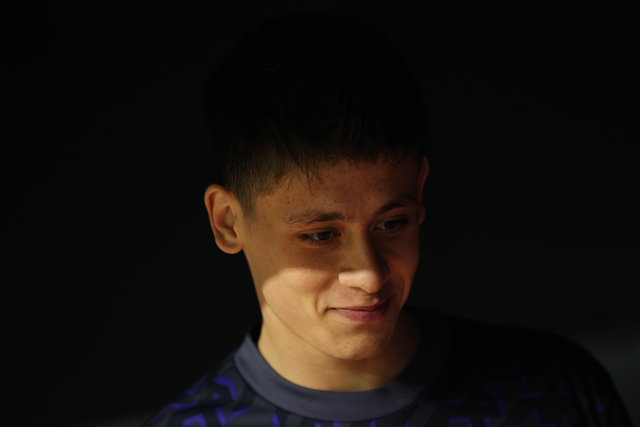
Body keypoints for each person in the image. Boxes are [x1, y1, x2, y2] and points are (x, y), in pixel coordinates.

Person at [140, 13, 632, 427]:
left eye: (391, 224)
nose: (369, 275)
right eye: (320, 235)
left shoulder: (555, 389)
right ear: (228, 222)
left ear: (419, 191)